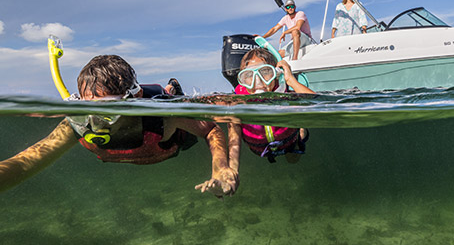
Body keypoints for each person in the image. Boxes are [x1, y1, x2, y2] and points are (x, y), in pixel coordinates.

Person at [0, 55, 239, 198]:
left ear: (133, 99)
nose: (100, 119)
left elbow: (210, 129)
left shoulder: (164, 116)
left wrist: (219, 168)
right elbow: (28, 160)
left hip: (172, 142)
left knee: (171, 101)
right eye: (91, 108)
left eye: (111, 109)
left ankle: (171, 88)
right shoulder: (78, 123)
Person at [234, 48, 315, 163]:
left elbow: (318, 103)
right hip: (259, 150)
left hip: (290, 144)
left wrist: (290, 80)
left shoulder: (286, 96)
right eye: (249, 75)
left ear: (276, 73)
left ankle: (302, 130)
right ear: (242, 80)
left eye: (265, 72)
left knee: (293, 159)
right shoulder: (238, 101)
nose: (258, 82)